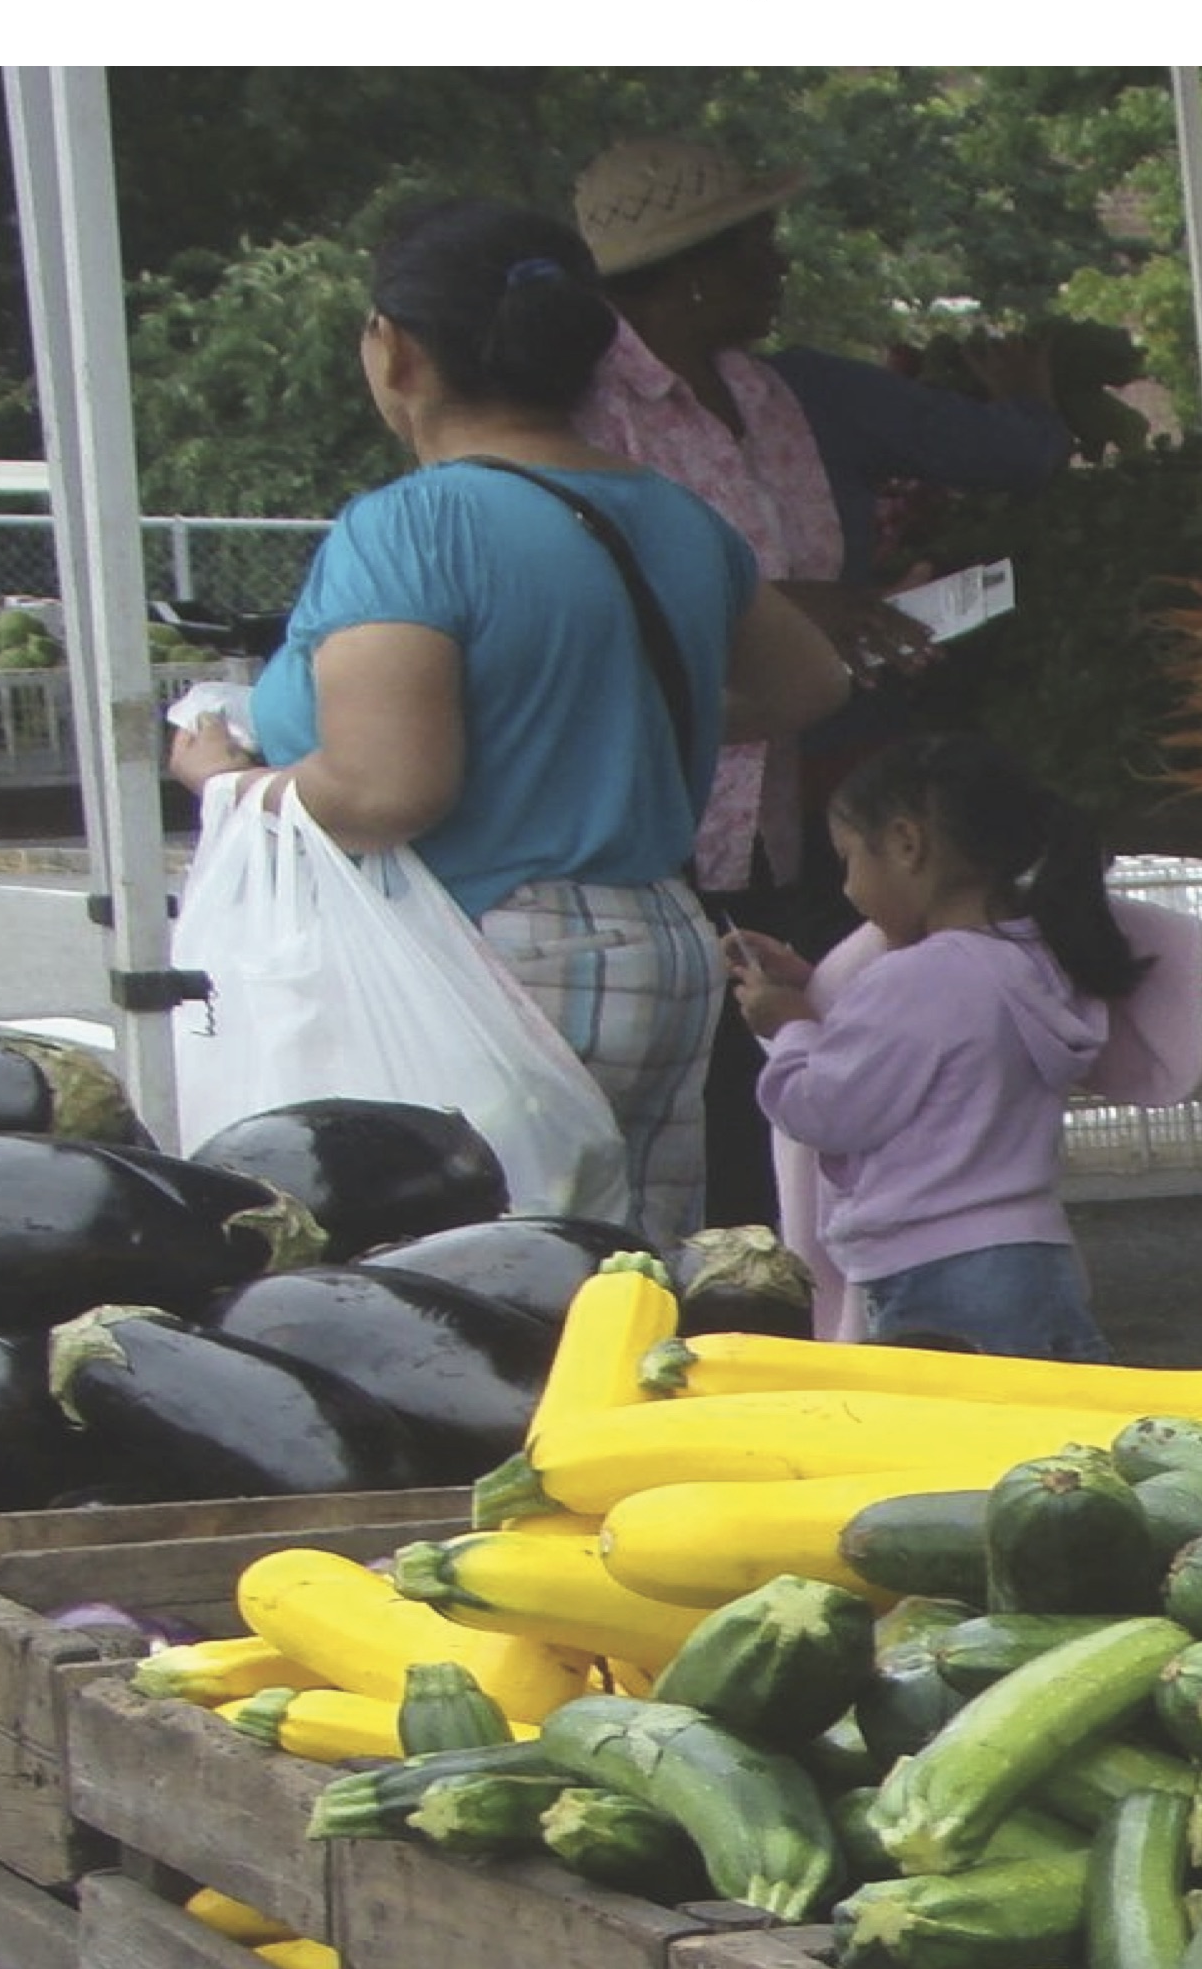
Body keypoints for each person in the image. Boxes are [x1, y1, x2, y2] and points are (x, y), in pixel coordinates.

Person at [168, 196, 853, 1252]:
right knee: (617, 1292)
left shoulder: (414, 524)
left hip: (487, 959)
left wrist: (227, 780)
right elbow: (811, 682)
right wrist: (603, 716)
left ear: (395, 351)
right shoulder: (672, 513)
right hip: (659, 944)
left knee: (472, 1291)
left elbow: (388, 790)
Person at [570, 130, 1114, 1219]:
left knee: (781, 1066)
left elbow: (1014, 457)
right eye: (757, 246)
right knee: (691, 1090)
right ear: (688, 274)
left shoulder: (794, 395)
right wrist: (769, 608)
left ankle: (803, 1280)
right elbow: (584, 602)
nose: (781, 267)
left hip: (800, 796)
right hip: (652, 807)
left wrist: (1029, 406)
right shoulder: (586, 417)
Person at [724, 730, 1186, 1361]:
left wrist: (791, 1028)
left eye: (850, 860)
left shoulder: (917, 978)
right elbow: (937, 1043)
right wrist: (814, 990)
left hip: (937, 1271)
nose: (848, 888)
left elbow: (824, 1111)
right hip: (1032, 1259)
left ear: (906, 845)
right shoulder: (1034, 961)